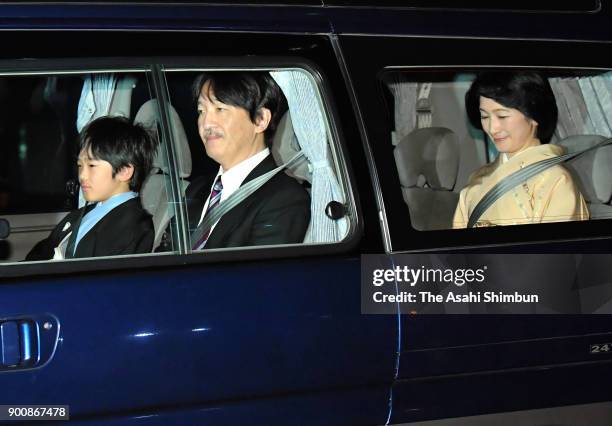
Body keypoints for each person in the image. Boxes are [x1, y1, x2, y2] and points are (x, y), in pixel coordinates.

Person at [185, 71, 310, 250]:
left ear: (260, 119)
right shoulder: (196, 189)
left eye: (220, 109)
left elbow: (258, 276)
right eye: (201, 111)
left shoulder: (285, 199)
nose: (206, 123)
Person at [452, 71, 589, 228]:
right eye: (484, 117)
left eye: (502, 116)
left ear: (534, 116)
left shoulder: (555, 180)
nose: (492, 128)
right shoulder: (478, 178)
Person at [26, 116, 157, 260]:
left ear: (124, 171)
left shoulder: (132, 228)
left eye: (92, 166)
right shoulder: (88, 212)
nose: (82, 175)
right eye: (80, 165)